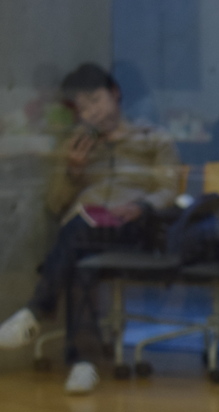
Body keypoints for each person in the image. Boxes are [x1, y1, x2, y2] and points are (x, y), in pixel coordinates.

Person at [0, 63, 181, 394]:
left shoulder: (153, 137)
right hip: (86, 233)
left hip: (133, 227)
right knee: (82, 260)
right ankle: (83, 363)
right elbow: (55, 204)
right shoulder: (77, 145)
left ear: (115, 93)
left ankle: (37, 311)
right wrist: (73, 172)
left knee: (78, 232)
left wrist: (141, 207)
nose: (92, 113)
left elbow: (169, 190)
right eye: (83, 108)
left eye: (96, 101)